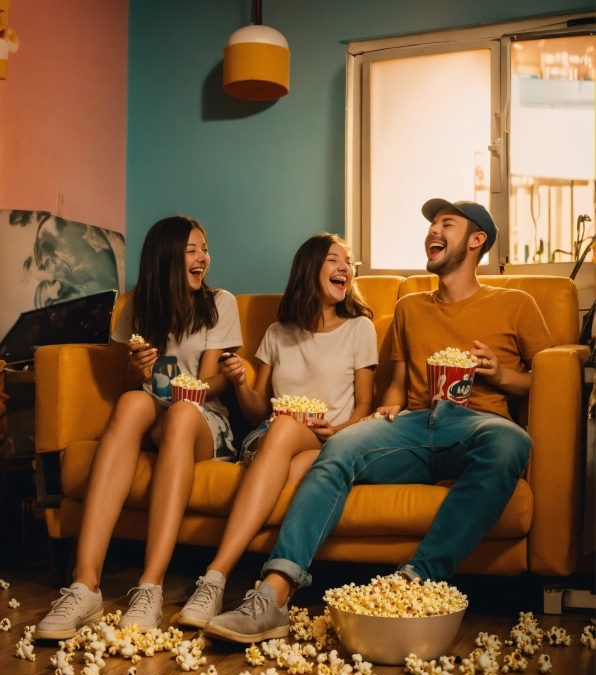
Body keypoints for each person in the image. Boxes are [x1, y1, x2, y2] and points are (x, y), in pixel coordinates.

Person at [204, 199, 553, 644]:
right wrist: (386, 407)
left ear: (477, 240)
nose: (433, 231)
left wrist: (500, 374)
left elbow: (549, 378)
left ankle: (418, 581)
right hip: (411, 424)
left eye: (447, 224)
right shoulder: (411, 307)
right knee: (338, 451)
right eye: (431, 225)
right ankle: (272, 596)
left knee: (510, 443)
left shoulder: (515, 303)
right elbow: (398, 384)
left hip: (477, 425)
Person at [35, 215, 243, 639]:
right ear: (166, 257)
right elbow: (133, 386)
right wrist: (137, 369)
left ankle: (149, 585)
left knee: (183, 413)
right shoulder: (137, 308)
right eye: (191, 250)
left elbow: (212, 380)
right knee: (131, 402)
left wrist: (187, 395)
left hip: (201, 417)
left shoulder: (220, 302)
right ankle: (85, 584)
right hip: (155, 410)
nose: (202, 257)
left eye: (204, 249)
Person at [178, 232, 378, 630]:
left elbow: (365, 407)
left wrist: (336, 428)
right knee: (285, 431)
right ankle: (241, 586)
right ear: (310, 268)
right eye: (335, 259)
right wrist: (239, 384)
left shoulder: (360, 330)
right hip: (271, 436)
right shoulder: (277, 333)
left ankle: (216, 575)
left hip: (329, 441)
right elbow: (257, 412)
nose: (346, 268)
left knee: (303, 454)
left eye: (349, 262)